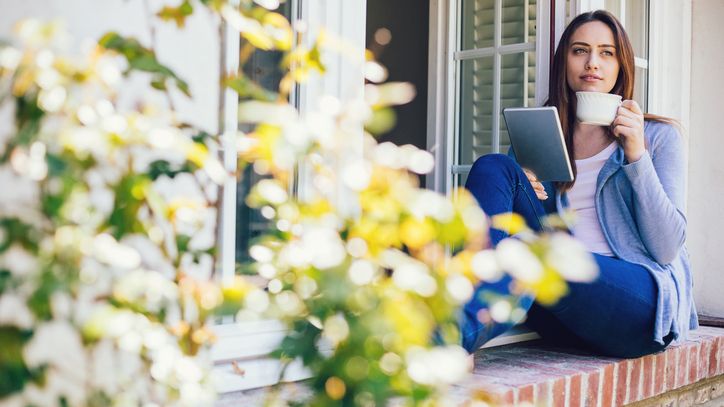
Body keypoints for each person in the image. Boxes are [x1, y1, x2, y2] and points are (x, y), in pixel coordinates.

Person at [460, 10, 698, 358]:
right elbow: (505, 227)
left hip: (637, 306)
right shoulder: (541, 136)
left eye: (606, 52)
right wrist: (522, 193)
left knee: (534, 253)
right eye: (579, 50)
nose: (592, 63)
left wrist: (637, 157)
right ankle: (465, 296)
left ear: (621, 65)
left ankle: (438, 344)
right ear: (565, 63)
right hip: (563, 310)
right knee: (493, 166)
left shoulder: (657, 137)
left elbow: (666, 248)